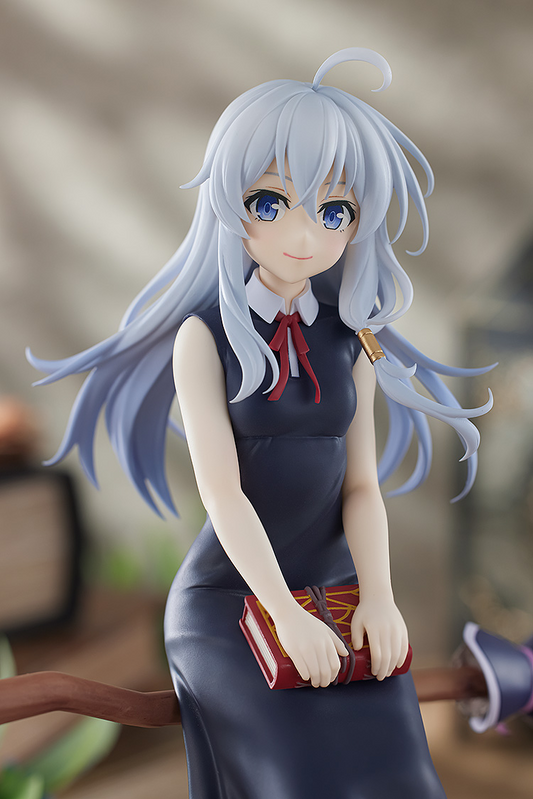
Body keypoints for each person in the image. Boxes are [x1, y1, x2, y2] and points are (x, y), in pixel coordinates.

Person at [29, 48, 493, 798]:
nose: (304, 236)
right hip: (231, 599)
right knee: (289, 778)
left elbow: (361, 487)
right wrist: (281, 613)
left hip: (338, 594)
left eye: (334, 212)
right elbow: (223, 494)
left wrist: (378, 595)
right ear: (228, 200)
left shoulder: (352, 337)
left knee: (400, 775)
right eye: (272, 202)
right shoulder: (203, 337)